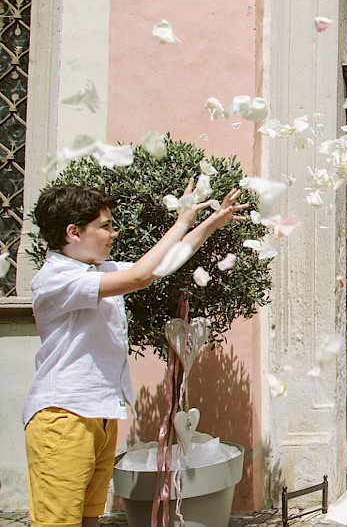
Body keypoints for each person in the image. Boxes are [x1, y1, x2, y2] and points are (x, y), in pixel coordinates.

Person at [23, 182, 247, 527]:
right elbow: (141, 276)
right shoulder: (56, 279)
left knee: (87, 518)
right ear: (73, 232)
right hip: (63, 417)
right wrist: (182, 220)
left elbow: (158, 268)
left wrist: (210, 224)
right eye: (105, 226)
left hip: (96, 413)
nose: (114, 233)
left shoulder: (96, 271)